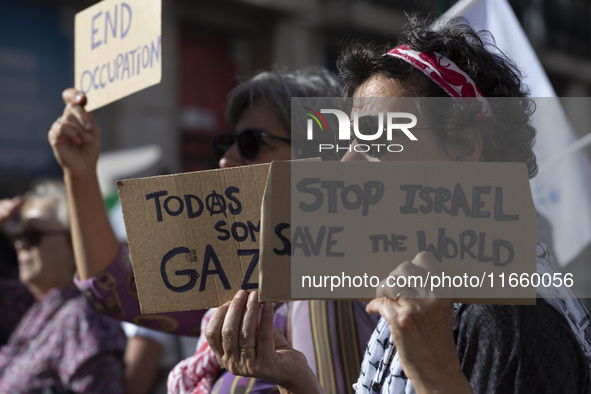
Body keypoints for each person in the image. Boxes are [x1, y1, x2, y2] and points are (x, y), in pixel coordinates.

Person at [204, 16, 591, 394]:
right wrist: (295, 379)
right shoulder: (424, 299)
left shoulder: (508, 314)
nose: (347, 165)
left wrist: (434, 372)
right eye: (350, 144)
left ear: (464, 147)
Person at [48, 66, 379, 393]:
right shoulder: (244, 286)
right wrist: (79, 173)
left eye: (252, 143)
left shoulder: (333, 286)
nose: (226, 160)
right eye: (226, 143)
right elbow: (117, 293)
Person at [0, 180, 126, 393]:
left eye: (33, 235)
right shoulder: (36, 307)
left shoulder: (81, 317)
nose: (21, 244)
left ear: (75, 241)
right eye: (18, 235)